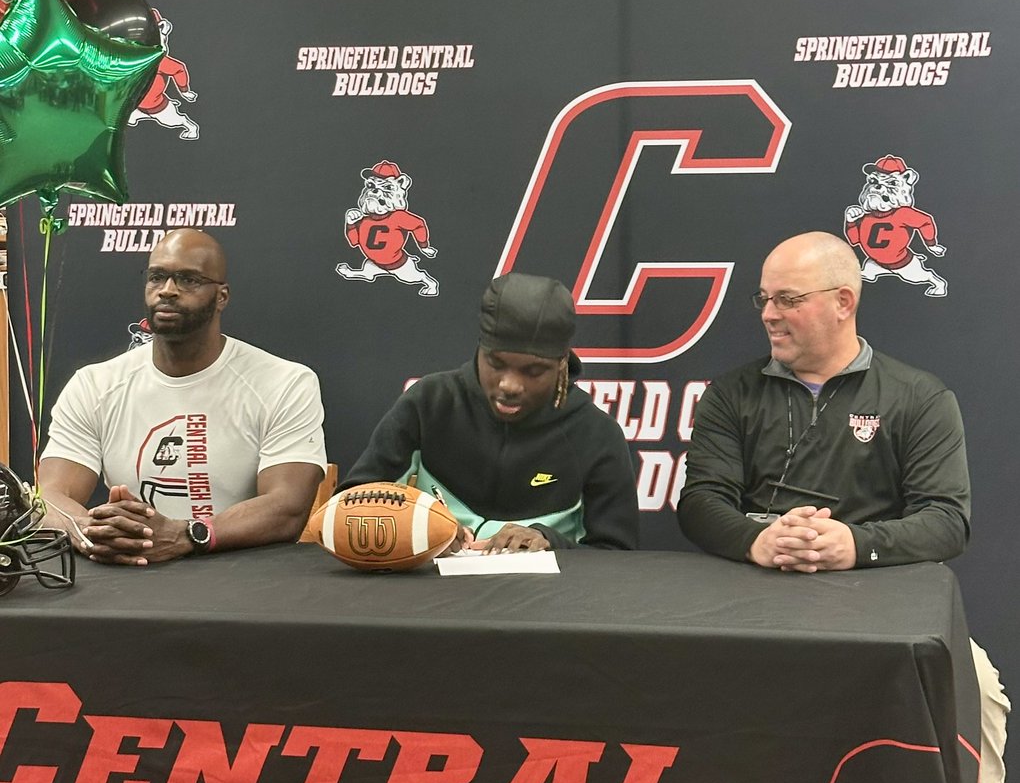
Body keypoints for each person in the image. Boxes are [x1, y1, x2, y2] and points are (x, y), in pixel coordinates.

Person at [677, 231, 1012, 783]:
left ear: (843, 302)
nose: (769, 314)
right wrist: (756, 539)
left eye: (788, 300)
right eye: (764, 299)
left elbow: (947, 518)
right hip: (754, 594)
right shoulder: (733, 393)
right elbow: (700, 500)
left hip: (879, 601)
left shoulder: (918, 397)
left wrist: (855, 544)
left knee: (978, 694)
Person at [39, 229, 327, 564]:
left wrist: (187, 535)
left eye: (188, 280)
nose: (167, 290)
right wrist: (91, 531)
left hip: (242, 580)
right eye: (157, 277)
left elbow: (288, 508)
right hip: (129, 577)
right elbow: (48, 496)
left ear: (222, 296)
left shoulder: (284, 382)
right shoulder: (94, 385)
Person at [341, 272, 639, 552]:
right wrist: (421, 526)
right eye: (496, 364)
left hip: (547, 600)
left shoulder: (596, 434)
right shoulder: (429, 403)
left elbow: (616, 556)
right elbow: (348, 506)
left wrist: (549, 541)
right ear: (480, 349)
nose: (510, 385)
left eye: (533, 371)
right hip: (428, 597)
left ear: (561, 364)